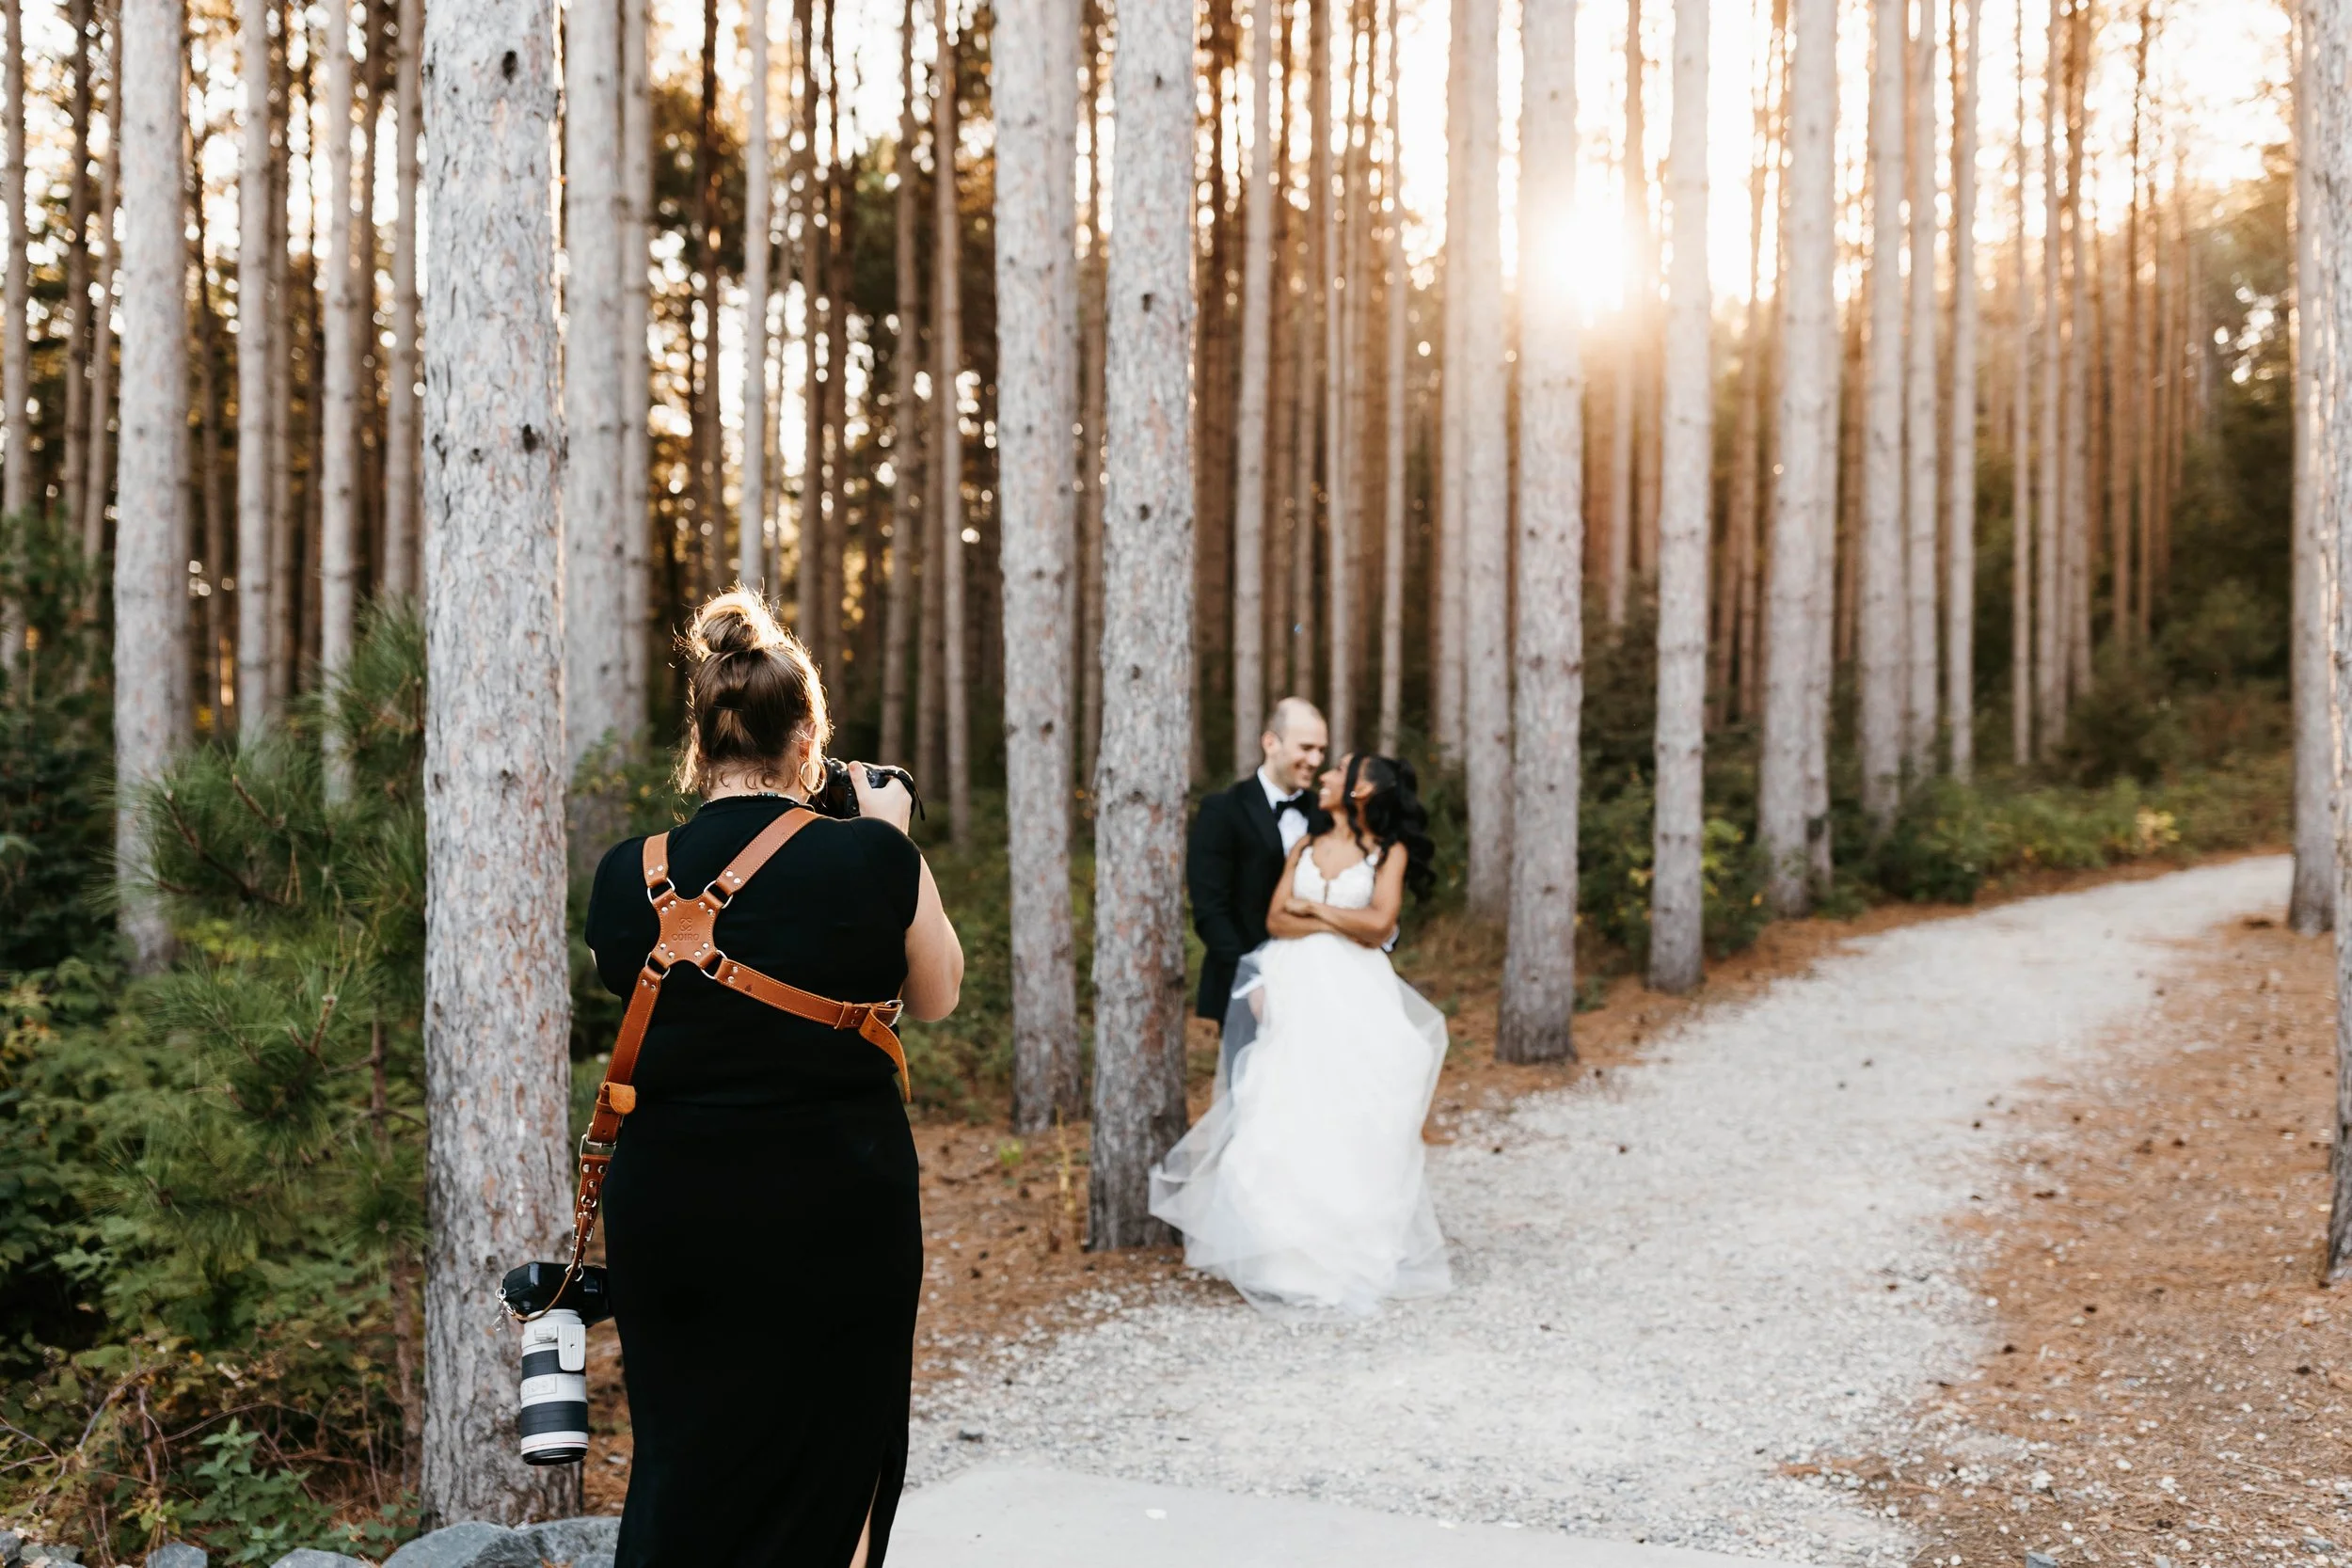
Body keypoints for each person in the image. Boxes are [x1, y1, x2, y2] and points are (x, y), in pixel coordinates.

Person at [584, 591, 962, 1568]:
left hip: (669, 1205)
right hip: (836, 1203)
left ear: (701, 745)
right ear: (810, 744)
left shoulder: (628, 872)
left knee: (685, 1451)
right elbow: (937, 994)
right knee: (833, 1445)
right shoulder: (872, 854)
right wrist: (891, 836)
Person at [1150, 752, 1452, 1316]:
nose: (1328, 777)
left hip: (1356, 996)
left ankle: (1347, 1245)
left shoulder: (1391, 851)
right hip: (1296, 991)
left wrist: (1312, 906)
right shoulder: (1305, 846)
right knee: (1284, 1106)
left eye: (1340, 771)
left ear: (1364, 790)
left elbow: (1380, 923)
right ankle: (1282, 1256)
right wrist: (1335, 919)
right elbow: (1275, 921)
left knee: (1351, 1111)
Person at [1186, 698, 1328, 1034]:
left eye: (1321, 751)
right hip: (1247, 989)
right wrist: (1251, 982)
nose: (1315, 760)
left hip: (1318, 983)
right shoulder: (1222, 811)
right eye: (1306, 748)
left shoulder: (1325, 813)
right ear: (1270, 742)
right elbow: (1210, 911)